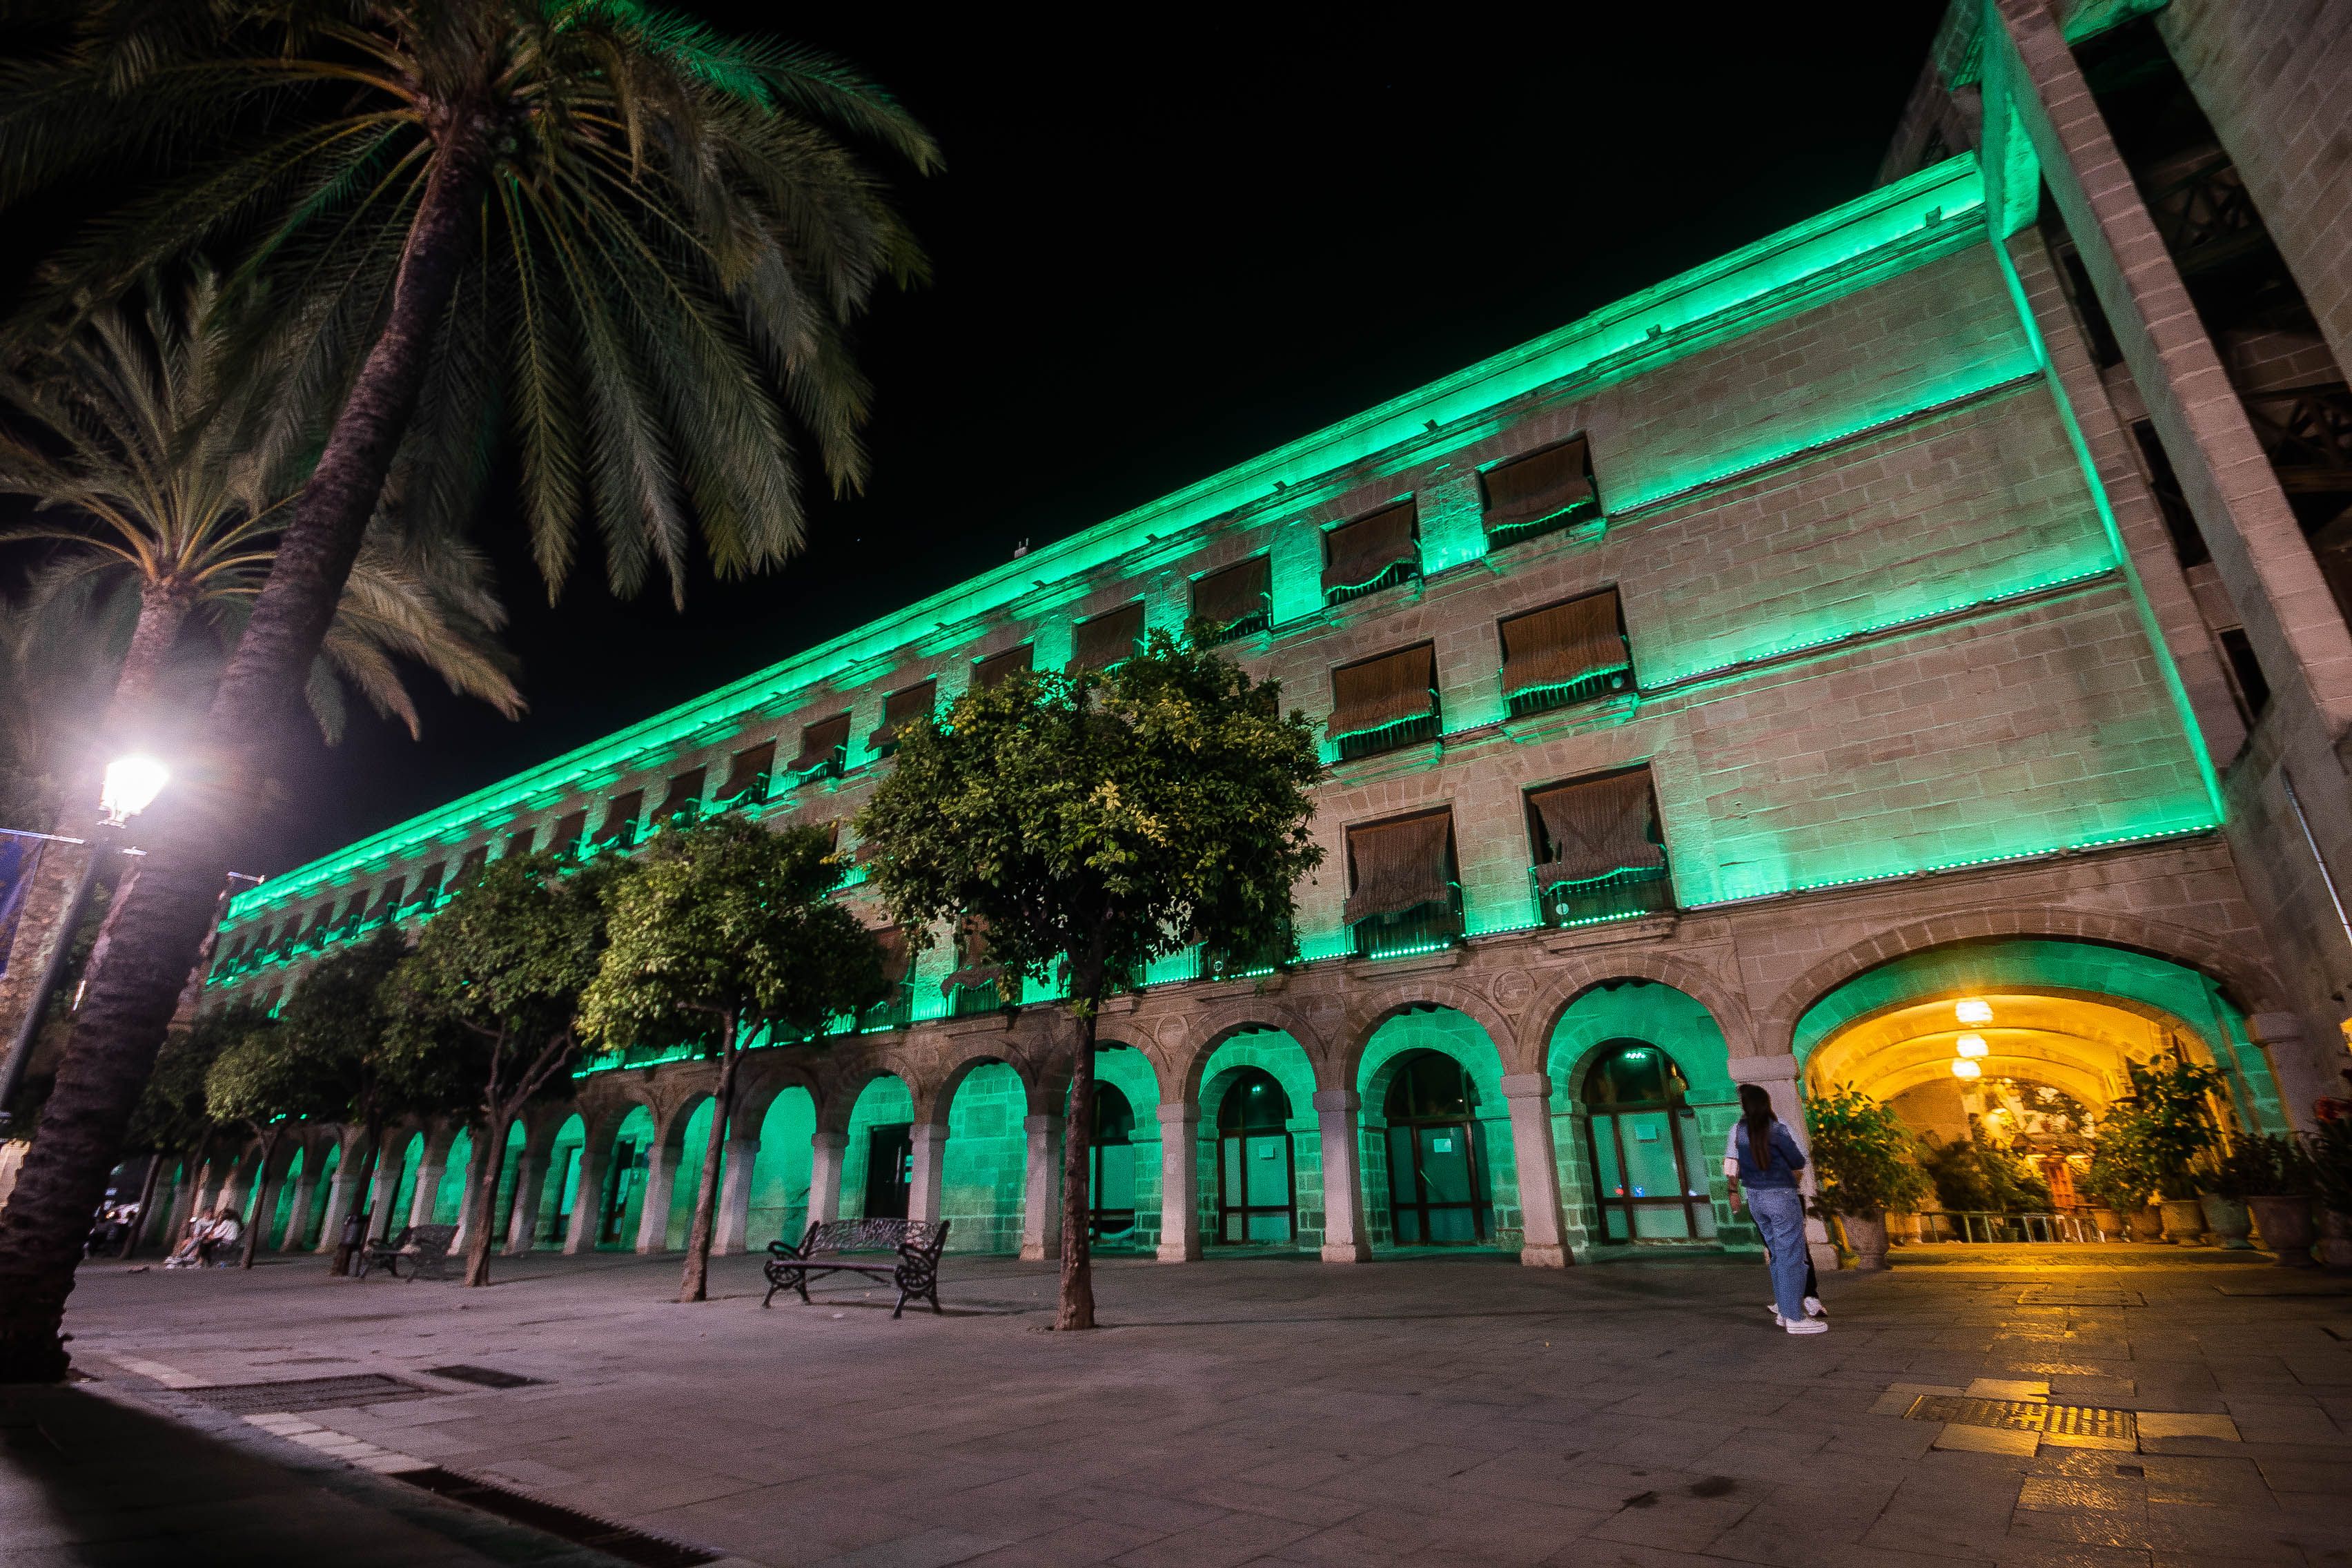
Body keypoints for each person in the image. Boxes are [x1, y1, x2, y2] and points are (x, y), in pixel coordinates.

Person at [1726, 1084, 1826, 1335]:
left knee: (1778, 1255)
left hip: (1755, 1197)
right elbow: (1798, 1160)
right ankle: (1794, 1317)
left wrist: (1733, 1191)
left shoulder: (1739, 1131)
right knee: (1793, 1256)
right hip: (1781, 1195)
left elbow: (1731, 1162)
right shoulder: (1777, 1129)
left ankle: (1784, 1310)